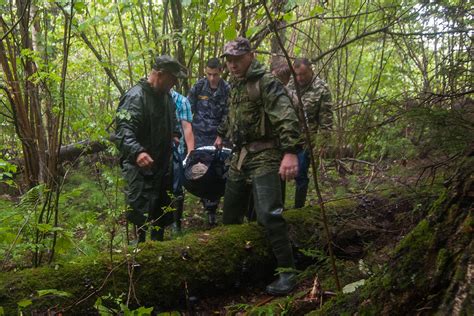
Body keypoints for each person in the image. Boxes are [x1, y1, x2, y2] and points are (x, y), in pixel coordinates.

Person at [215, 37, 302, 295]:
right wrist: (221, 133)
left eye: (237, 59)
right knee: (230, 214)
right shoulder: (236, 85)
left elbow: (287, 116)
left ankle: (287, 272)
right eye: (229, 60)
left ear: (250, 56)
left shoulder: (267, 82)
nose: (232, 65)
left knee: (269, 214)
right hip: (240, 156)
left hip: (266, 154)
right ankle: (234, 268)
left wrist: (290, 152)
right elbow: (233, 117)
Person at [115, 55, 187, 242]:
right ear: (160, 75)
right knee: (140, 213)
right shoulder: (135, 97)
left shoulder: (166, 97)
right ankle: (138, 251)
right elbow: (123, 132)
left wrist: (175, 134)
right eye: (173, 79)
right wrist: (138, 152)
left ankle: (158, 248)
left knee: (161, 213)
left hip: (163, 166)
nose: (174, 84)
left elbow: (173, 121)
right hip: (140, 169)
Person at [188, 58, 230, 226]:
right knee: (202, 172)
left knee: (218, 172)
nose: (212, 78)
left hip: (219, 138)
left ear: (221, 71)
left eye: (215, 74)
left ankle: (214, 207)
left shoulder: (227, 89)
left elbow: (229, 114)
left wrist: (222, 135)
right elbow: (187, 109)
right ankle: (208, 207)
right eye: (209, 74)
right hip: (200, 137)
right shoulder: (198, 87)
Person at [286, 58, 333, 209]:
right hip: (286, 137)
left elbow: (326, 118)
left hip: (306, 140)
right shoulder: (291, 84)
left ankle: (298, 208)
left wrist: (323, 142)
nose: (300, 78)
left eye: (303, 74)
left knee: (300, 174)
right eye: (297, 74)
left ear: (311, 70)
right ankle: (279, 208)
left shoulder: (322, 88)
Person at [171, 90, 194, 233]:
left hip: (176, 152)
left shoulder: (181, 101)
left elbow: (187, 128)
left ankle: (176, 225)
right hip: (154, 153)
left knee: (176, 188)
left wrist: (191, 152)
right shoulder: (149, 98)